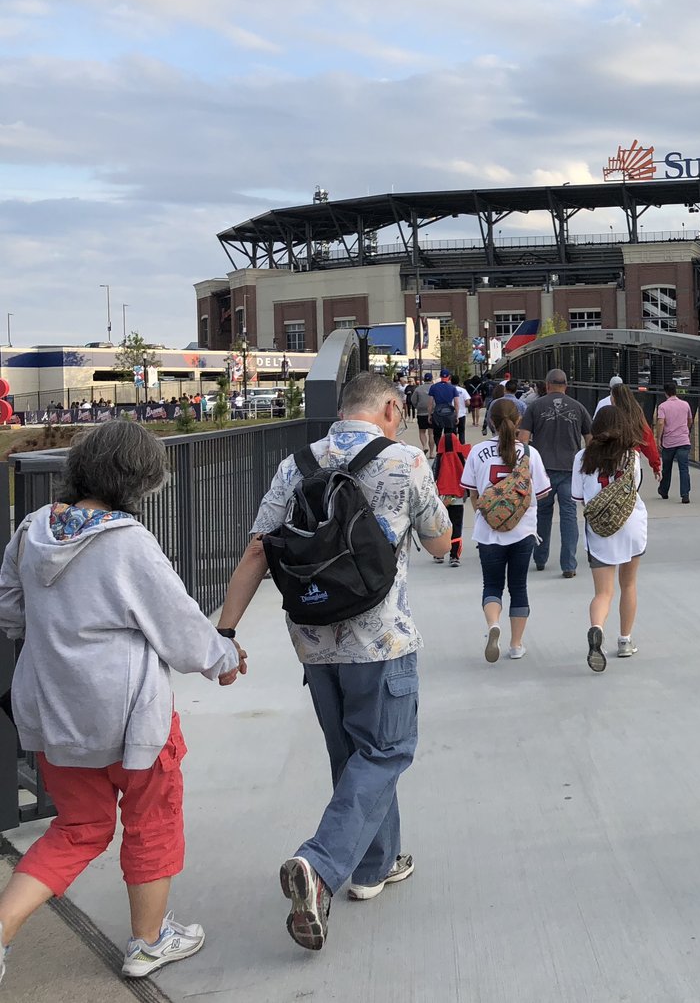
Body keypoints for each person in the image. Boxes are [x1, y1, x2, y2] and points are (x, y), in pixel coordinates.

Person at [0, 424, 246, 983]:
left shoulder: (32, 529)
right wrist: (223, 660)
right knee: (151, 821)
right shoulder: (127, 539)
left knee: (77, 827)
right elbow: (180, 626)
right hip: (132, 717)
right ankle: (149, 941)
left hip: (54, 714)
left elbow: (10, 611)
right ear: (139, 480)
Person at [216, 373, 451, 951]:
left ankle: (375, 866)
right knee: (387, 751)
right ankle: (318, 869)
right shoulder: (406, 461)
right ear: (392, 409)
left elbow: (258, 549)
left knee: (354, 758)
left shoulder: (296, 463)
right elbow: (442, 541)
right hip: (381, 640)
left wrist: (224, 629)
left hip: (315, 639)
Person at [461, 398, 552, 661]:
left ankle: (493, 625)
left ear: (490, 421)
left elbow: (472, 492)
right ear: (519, 421)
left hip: (488, 531)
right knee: (518, 586)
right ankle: (516, 644)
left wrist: (487, 511)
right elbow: (542, 492)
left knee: (491, 584)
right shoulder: (529, 453)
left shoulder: (477, 452)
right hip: (522, 531)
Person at [574, 405, 649, 671]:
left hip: (599, 530)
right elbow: (634, 489)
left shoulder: (583, 457)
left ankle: (597, 629)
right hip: (631, 525)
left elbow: (579, 498)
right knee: (628, 585)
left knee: (603, 592)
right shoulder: (632, 456)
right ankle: (625, 640)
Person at [519, 369, 592, 578]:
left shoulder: (535, 406)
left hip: (543, 471)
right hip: (570, 469)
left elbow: (523, 439)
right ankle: (568, 564)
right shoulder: (578, 407)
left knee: (542, 513)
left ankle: (540, 557)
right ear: (566, 386)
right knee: (569, 515)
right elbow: (590, 439)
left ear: (547, 384)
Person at [433, 427, 472, 567]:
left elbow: (433, 476)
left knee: (441, 526)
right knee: (456, 526)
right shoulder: (461, 457)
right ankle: (454, 555)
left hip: (442, 499)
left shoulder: (439, 458)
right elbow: (468, 477)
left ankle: (438, 553)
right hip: (457, 498)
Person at [606, 383, 662, 480]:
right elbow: (648, 441)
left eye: (611, 396)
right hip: (633, 461)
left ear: (615, 398)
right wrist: (656, 465)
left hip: (614, 461)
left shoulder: (611, 416)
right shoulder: (636, 415)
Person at [653, 382, 693, 503]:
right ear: (676, 391)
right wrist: (685, 430)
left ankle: (664, 491)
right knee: (684, 468)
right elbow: (690, 420)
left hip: (669, 442)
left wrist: (658, 438)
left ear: (665, 393)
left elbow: (660, 423)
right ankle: (685, 494)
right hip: (683, 440)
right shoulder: (685, 404)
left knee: (667, 467)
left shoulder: (663, 407)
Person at [429, 369, 459, 447]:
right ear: (449, 377)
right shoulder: (452, 388)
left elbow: (430, 403)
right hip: (449, 412)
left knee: (437, 434)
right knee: (448, 434)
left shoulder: (433, 387)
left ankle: (439, 449)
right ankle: (447, 450)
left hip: (437, 412)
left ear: (440, 376)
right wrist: (457, 415)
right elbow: (456, 403)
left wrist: (429, 415)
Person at [411, 373, 435, 457]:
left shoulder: (418, 389)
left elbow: (413, 400)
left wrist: (417, 406)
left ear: (424, 379)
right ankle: (432, 453)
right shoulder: (434, 388)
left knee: (422, 431)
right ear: (432, 379)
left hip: (421, 412)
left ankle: (425, 445)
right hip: (432, 412)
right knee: (431, 433)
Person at [451, 373, 470, 442]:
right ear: (458, 381)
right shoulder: (463, 390)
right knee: (461, 432)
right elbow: (468, 402)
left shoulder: (449, 389)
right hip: (461, 414)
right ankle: (462, 448)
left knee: (452, 433)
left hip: (451, 414)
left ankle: (454, 447)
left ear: (451, 381)